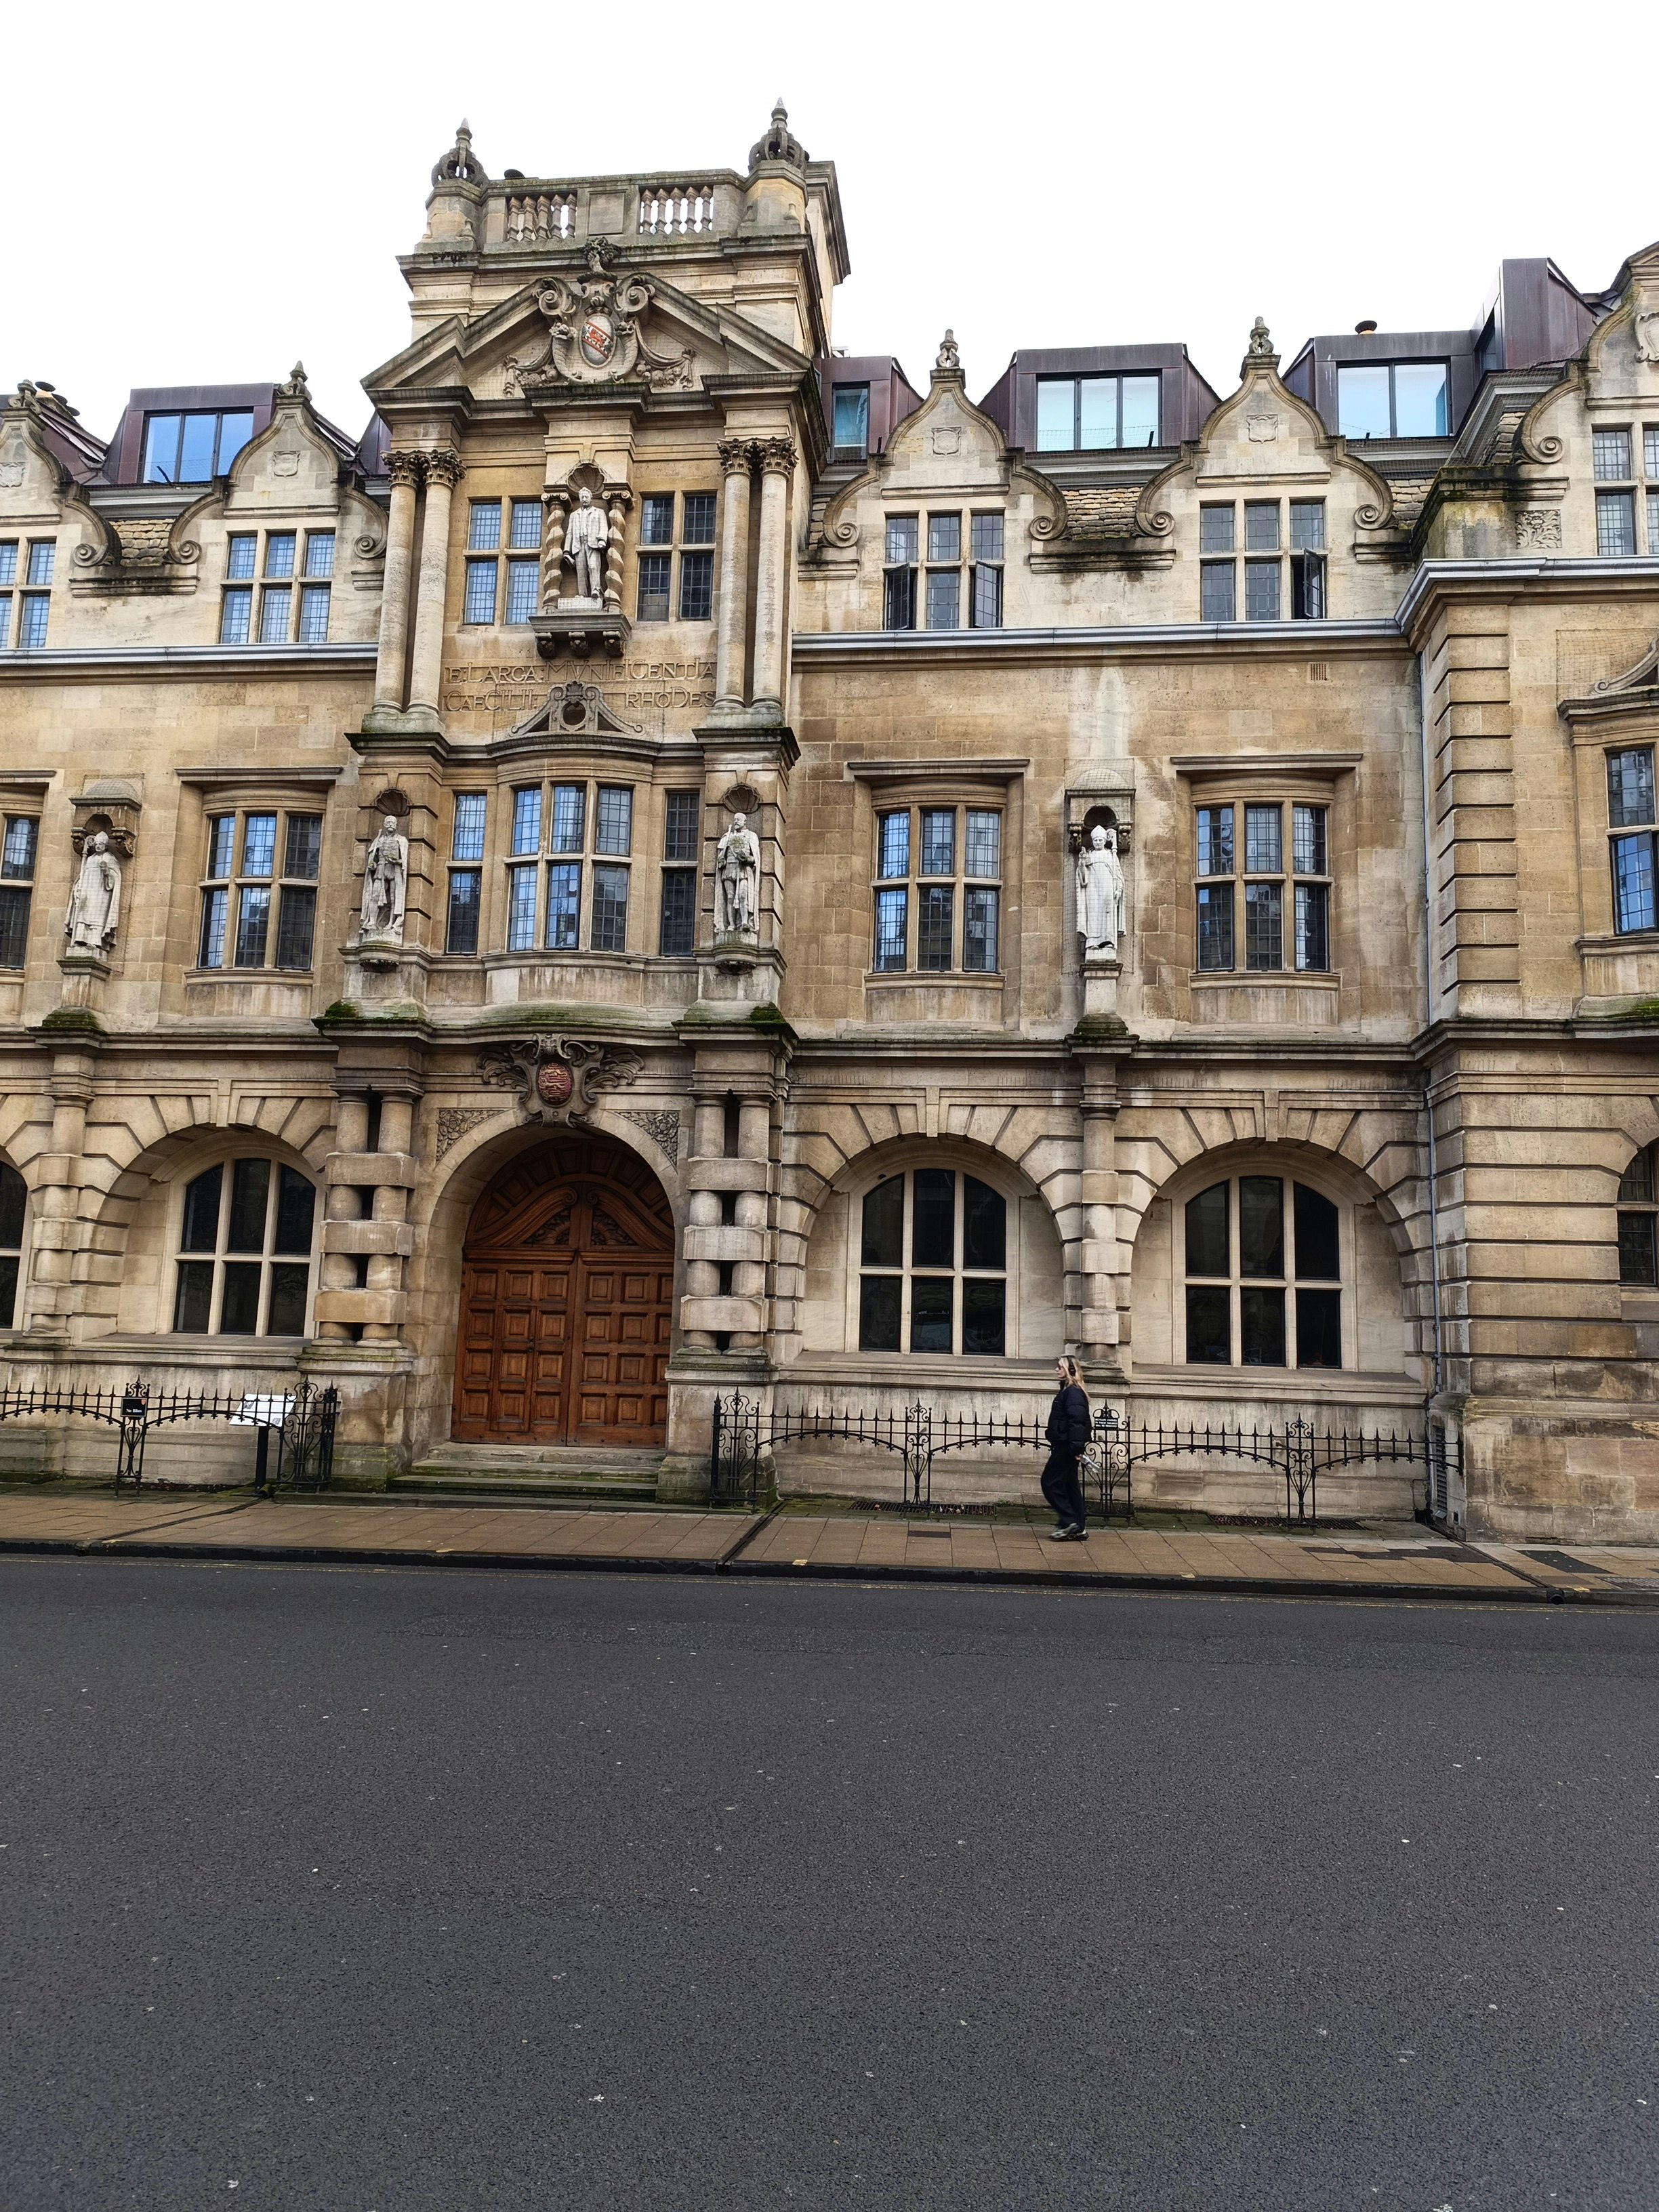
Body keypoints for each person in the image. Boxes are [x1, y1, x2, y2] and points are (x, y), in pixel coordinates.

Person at [1042, 1355, 1092, 1540]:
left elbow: (1077, 1422)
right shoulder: (1070, 1391)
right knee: (1070, 1486)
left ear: (1070, 1371)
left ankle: (1069, 1520)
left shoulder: (1073, 1393)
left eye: (1060, 1367)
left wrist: (1077, 1449)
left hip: (1066, 1445)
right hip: (1067, 1444)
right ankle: (1078, 1527)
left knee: (1049, 1482)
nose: (1056, 1370)